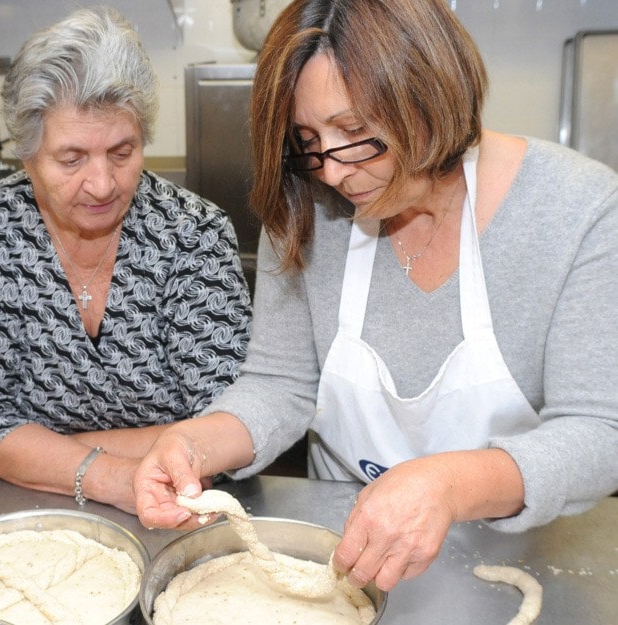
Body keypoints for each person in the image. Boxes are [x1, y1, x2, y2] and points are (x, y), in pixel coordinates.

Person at [133, 0, 618, 592]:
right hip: (342, 562)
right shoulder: (305, 204)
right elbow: (280, 384)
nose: (332, 173)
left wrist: (448, 484)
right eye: (308, 139)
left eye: (357, 134)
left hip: (519, 560)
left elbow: (600, 431)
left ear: (429, 92)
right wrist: (191, 442)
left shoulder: (579, 212)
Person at [0, 7, 251, 513]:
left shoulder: (192, 233)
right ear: (27, 156)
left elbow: (228, 427)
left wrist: (44, 450)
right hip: (33, 511)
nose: (103, 184)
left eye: (122, 153)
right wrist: (117, 477)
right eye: (71, 158)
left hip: (184, 506)